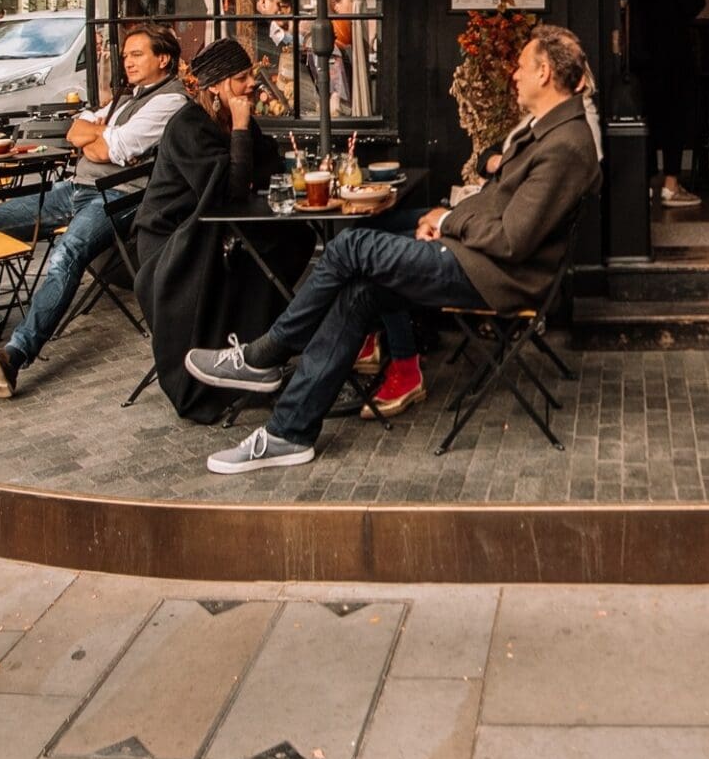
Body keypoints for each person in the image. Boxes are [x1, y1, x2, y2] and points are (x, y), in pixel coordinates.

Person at [185, 24, 602, 474]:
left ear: (543, 72)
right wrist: (447, 221)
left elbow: (512, 240)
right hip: (472, 256)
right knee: (359, 291)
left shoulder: (564, 145)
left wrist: (447, 221)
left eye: (521, 67)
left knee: (351, 244)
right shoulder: (547, 131)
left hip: (495, 275)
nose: (514, 75)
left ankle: (264, 356)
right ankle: (289, 432)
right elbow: (496, 201)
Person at [0, 25, 187, 398]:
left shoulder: (171, 101)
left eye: (137, 54)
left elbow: (116, 149)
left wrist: (99, 136)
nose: (127, 62)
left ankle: (14, 356)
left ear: (164, 59)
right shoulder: (129, 96)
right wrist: (96, 133)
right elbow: (76, 130)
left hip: (118, 196)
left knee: (66, 255)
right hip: (75, 188)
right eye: (125, 55)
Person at [133, 35, 306, 422]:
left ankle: (257, 351)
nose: (252, 85)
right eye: (242, 78)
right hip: (173, 240)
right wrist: (242, 129)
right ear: (216, 85)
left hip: (217, 227)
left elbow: (267, 171)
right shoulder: (188, 126)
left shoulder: (234, 119)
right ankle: (222, 367)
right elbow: (229, 190)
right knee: (252, 252)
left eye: (250, 76)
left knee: (292, 238)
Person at [620, 0, 706, 207]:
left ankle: (640, 184)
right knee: (673, 117)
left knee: (641, 117)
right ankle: (671, 185)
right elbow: (697, 2)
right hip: (672, 53)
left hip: (637, 56)